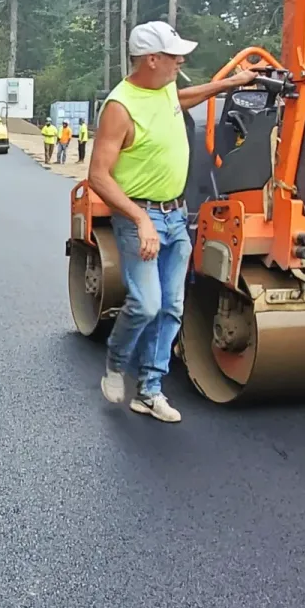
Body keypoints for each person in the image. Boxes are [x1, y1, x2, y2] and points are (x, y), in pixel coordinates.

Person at [87, 21, 258, 422]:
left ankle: (149, 390)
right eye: (174, 55)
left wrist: (233, 83)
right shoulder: (120, 108)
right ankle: (115, 362)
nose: (181, 60)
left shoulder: (163, 89)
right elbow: (98, 175)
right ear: (151, 60)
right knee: (146, 305)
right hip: (140, 220)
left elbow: (181, 99)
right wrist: (139, 219)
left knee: (171, 309)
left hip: (176, 218)